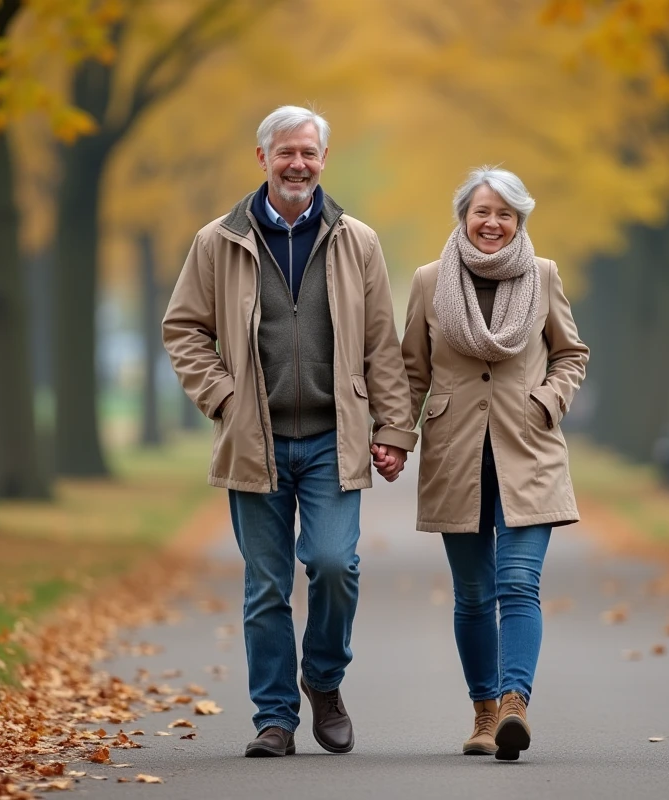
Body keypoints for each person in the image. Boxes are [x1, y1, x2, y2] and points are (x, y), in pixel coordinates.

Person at [163, 106, 417, 758]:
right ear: (263, 158)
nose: (297, 164)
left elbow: (380, 343)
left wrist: (394, 428)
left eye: (308, 152)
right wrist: (224, 397)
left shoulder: (357, 240)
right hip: (256, 438)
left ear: (323, 159)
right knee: (267, 587)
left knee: (334, 565)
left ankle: (323, 680)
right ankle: (274, 718)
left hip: (334, 436)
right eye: (285, 152)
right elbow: (183, 329)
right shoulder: (218, 241)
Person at [400, 167, 589, 761]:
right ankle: (483, 712)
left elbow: (570, 354)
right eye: (482, 211)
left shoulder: (544, 275)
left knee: (518, 583)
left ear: (519, 220)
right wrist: (395, 437)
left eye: (505, 213)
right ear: (463, 216)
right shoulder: (429, 281)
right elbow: (412, 371)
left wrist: (547, 401)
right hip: (455, 454)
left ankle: (513, 704)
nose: (492, 223)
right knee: (475, 594)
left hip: (528, 452)